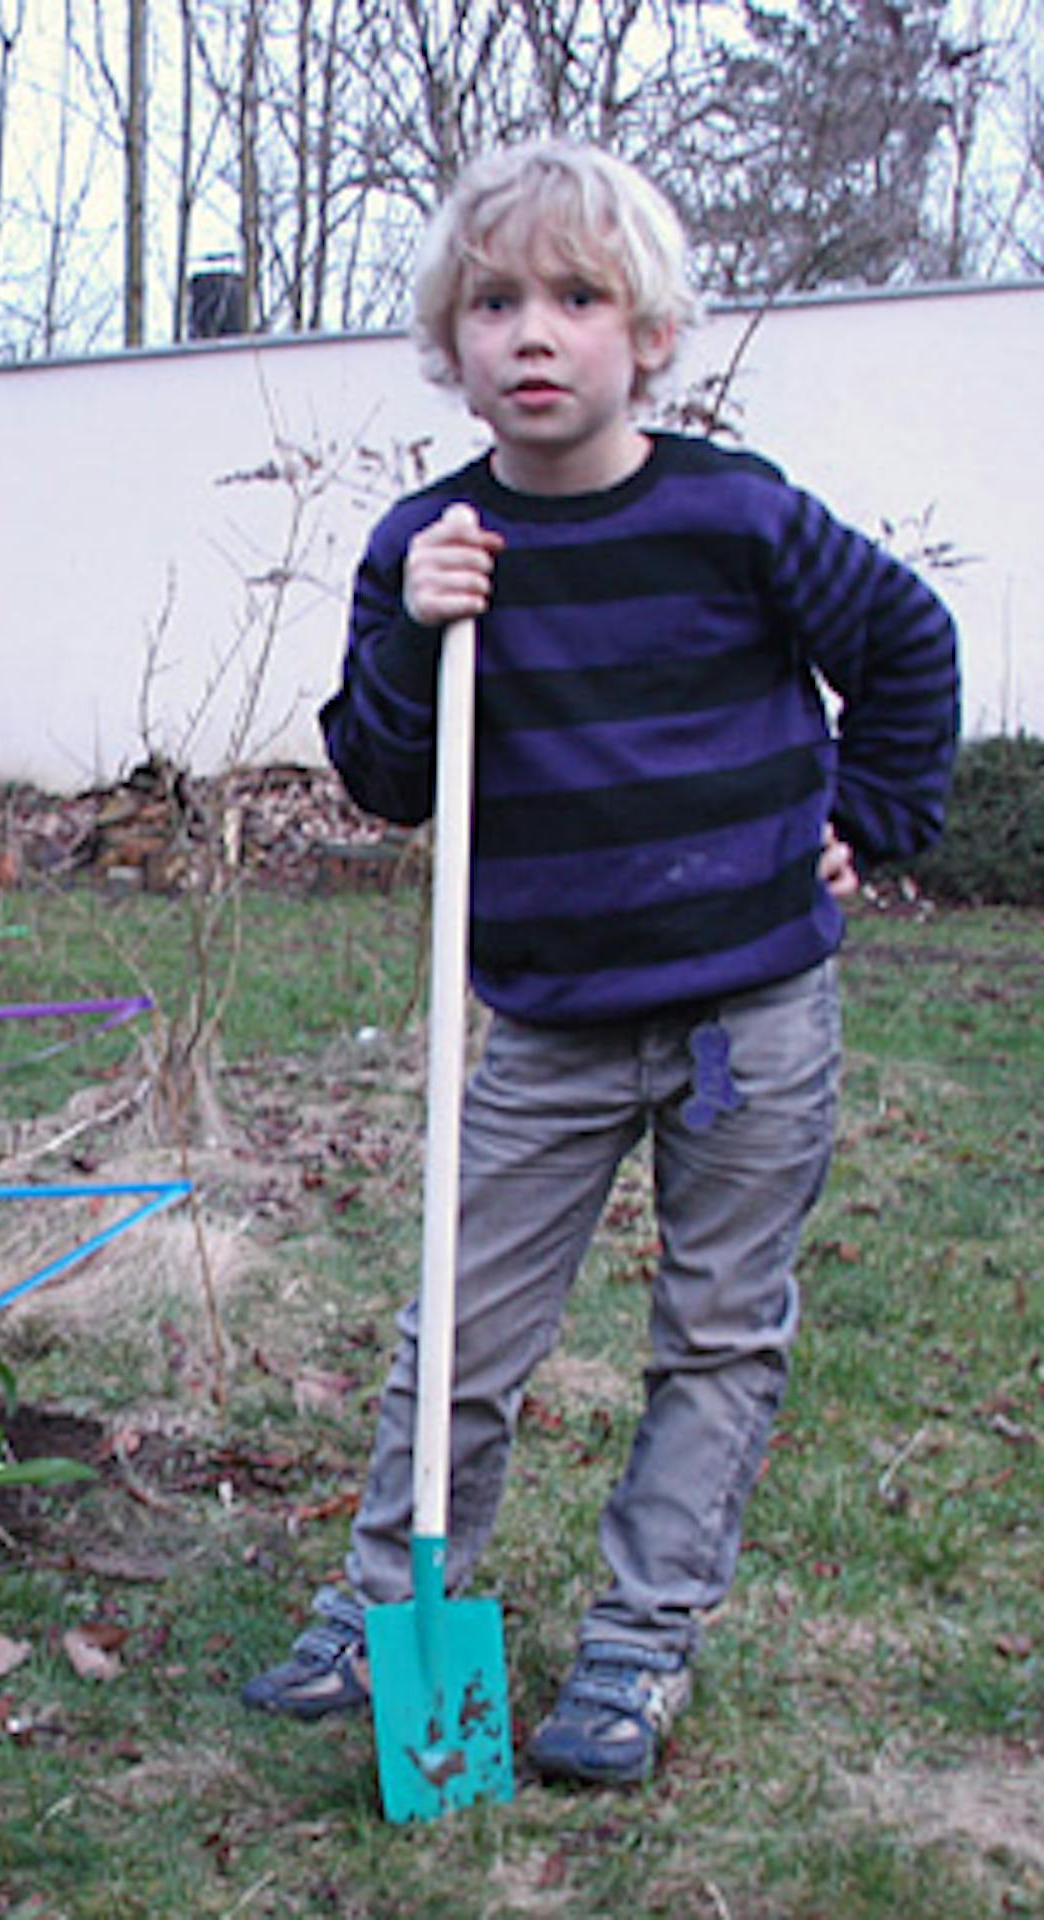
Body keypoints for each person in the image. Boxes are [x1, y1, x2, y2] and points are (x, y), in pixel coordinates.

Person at [240, 139, 959, 1785]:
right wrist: (414, 627)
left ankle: (639, 1648)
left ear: (649, 336)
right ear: (454, 343)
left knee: (716, 1329)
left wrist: (877, 812)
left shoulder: (737, 514)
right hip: (551, 1029)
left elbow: (909, 640)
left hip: (749, 1012)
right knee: (463, 1331)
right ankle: (385, 1609)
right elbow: (383, 774)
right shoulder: (431, 544)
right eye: (496, 303)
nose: (535, 334)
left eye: (578, 299)